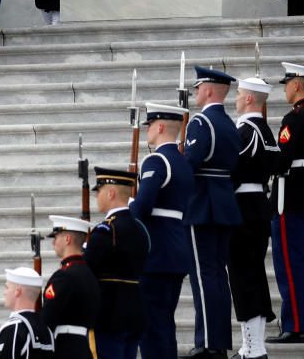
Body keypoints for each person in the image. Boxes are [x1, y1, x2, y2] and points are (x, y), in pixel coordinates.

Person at [181, 66, 242, 359]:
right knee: (217, 275)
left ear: (207, 90)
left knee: (203, 277)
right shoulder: (230, 124)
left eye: (197, 88)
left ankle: (207, 343)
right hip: (224, 202)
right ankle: (218, 342)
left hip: (201, 203)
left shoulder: (201, 123)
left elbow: (190, 162)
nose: (195, 93)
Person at [130, 103, 194, 359]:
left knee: (150, 326)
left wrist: (127, 207)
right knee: (165, 323)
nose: (147, 131)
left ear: (159, 126)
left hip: (155, 254)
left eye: (149, 126)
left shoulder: (157, 161)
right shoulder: (182, 162)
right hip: (176, 251)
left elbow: (143, 206)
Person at [267, 62, 304, 345]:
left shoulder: (294, 118)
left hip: (290, 197)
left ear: (297, 85)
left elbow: (282, 160)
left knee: (290, 264)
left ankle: (295, 325)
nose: (286, 89)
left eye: (288, 83)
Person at [228, 77, 278, 357]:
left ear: (249, 99)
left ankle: (253, 347)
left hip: (243, 208)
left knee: (243, 278)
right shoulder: (265, 130)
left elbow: (232, 171)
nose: (235, 99)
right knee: (254, 275)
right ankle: (253, 345)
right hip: (258, 205)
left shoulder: (246, 130)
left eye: (238, 94)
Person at [85, 167, 149, 359]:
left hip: (109, 316)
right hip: (135, 313)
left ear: (111, 193)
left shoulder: (106, 230)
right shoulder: (140, 228)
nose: (96, 196)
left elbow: (87, 269)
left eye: (99, 191)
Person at [41, 215, 100, 359]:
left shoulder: (64, 276)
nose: (53, 242)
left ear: (67, 239)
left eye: (56, 237)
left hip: (64, 348)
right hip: (83, 347)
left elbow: (47, 318)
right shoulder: (89, 274)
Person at [0, 266, 55, 358]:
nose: (4, 292)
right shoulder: (47, 331)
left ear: (17, 292)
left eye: (7, 287)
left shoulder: (13, 328)